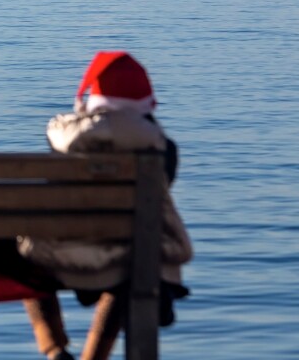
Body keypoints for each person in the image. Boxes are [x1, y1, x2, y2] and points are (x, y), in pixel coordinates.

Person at [18, 51, 193, 360]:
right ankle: (93, 358)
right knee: (131, 265)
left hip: (57, 255)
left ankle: (54, 348)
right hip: (129, 257)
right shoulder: (162, 148)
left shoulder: (61, 138)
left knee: (24, 253)